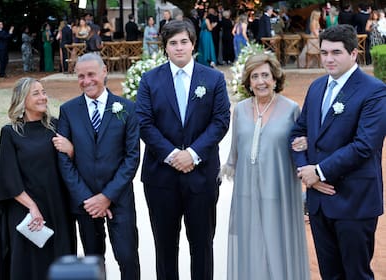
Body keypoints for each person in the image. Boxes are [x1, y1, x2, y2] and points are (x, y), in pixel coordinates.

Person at [136, 20, 231, 280]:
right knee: (165, 246)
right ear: (165, 47)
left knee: (202, 245)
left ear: (193, 44)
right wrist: (171, 155)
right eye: (173, 43)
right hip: (160, 178)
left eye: (184, 42)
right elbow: (144, 122)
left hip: (201, 176)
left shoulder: (213, 78)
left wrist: (193, 154)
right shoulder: (149, 80)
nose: (179, 48)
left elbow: (220, 120)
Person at [290, 24, 386, 279]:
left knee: (356, 274)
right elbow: (298, 134)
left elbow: (365, 145)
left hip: (354, 200)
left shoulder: (374, 91)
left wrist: (319, 172)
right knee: (329, 275)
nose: (328, 59)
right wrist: (306, 172)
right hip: (320, 202)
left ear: (354, 53)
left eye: (336, 52)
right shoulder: (317, 87)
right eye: (324, 53)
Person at [220, 53, 310, 280]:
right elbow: (235, 151)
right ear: (248, 82)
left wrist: (305, 145)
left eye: (265, 76)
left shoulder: (291, 109)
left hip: (280, 191)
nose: (261, 81)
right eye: (255, 76)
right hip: (247, 192)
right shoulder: (239, 110)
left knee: (279, 246)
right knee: (252, 245)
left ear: (275, 79)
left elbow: (300, 150)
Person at [57, 53, 140, 280]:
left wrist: (106, 196)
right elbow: (64, 160)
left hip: (119, 199)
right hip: (85, 203)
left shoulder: (127, 108)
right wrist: (88, 199)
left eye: (91, 74)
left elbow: (132, 158)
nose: (86, 81)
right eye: (81, 76)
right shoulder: (68, 111)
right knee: (93, 260)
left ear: (104, 72)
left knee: (127, 257)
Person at [0, 77, 76, 280]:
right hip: (25, 210)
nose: (43, 97)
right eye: (36, 93)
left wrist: (70, 150)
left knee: (58, 261)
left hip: (56, 207)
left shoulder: (56, 126)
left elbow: (71, 164)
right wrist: (32, 207)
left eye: (44, 92)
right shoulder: (10, 133)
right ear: (22, 100)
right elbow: (7, 177)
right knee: (28, 264)